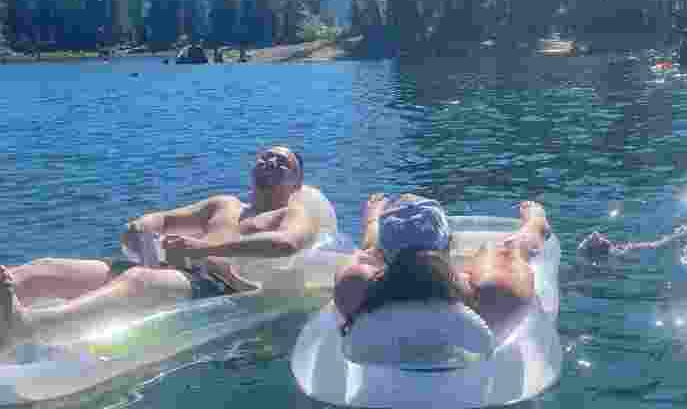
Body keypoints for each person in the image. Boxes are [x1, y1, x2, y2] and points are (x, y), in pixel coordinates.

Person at [0, 145, 335, 346]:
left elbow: (287, 244)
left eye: (283, 162)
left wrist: (202, 251)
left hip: (222, 285)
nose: (271, 162)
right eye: (266, 156)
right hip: (170, 268)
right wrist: (142, 227)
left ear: (297, 182)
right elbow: (163, 220)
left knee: (138, 282)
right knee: (48, 268)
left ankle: (27, 329)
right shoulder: (223, 204)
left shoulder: (293, 211)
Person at [334, 194, 551, 335]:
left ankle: (375, 227)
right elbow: (519, 253)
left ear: (383, 255)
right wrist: (533, 226)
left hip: (385, 390)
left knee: (364, 256)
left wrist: (373, 223)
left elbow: (368, 253)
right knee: (500, 249)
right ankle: (536, 224)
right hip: (471, 381)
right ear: (450, 243)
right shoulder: (495, 293)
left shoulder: (352, 288)